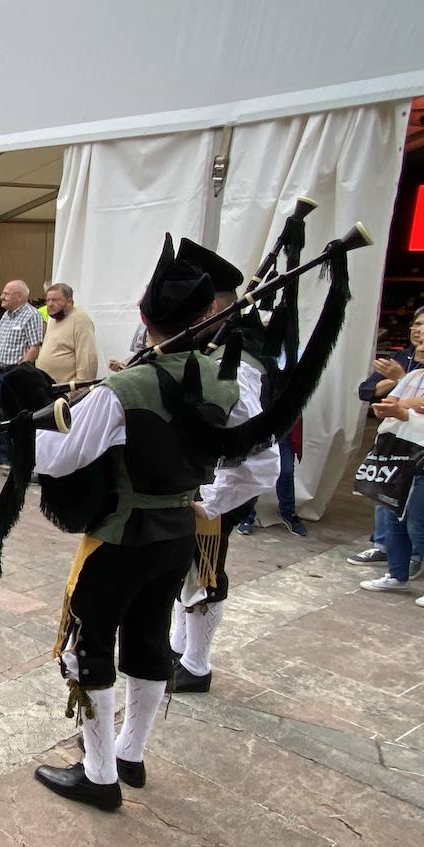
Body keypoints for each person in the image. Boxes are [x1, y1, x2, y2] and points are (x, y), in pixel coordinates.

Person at [32, 237, 250, 810]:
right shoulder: (227, 380)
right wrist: (209, 502)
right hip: (177, 535)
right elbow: (258, 462)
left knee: (88, 646)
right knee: (150, 641)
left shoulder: (122, 389)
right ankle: (129, 753)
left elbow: (59, 459)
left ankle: (99, 773)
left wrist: (41, 423)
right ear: (204, 317)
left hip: (119, 539)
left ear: (144, 317)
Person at [167, 241, 281, 693]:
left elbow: (261, 456)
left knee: (204, 571)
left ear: (210, 307)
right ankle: (179, 647)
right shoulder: (211, 349)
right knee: (187, 569)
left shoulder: (234, 363)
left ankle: (196, 666)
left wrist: (211, 503)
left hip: (215, 492)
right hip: (198, 487)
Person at [349, 303, 424, 571]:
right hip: (398, 456)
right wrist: (409, 403)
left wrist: (402, 407)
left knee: (420, 523)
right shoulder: (412, 370)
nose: (422, 344)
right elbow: (377, 401)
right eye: (419, 334)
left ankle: (417, 563)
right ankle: (396, 572)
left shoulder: (410, 372)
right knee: (391, 513)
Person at [0, 280, 44, 468]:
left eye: (6, 293)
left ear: (19, 296)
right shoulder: (6, 315)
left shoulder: (31, 315)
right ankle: (3, 455)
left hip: (15, 374)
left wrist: (20, 371)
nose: (1, 297)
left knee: (14, 415)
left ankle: (16, 458)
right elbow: (1, 342)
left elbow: (34, 347)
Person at [35, 283, 99, 385]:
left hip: (68, 390)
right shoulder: (53, 319)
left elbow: (87, 358)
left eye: (55, 300)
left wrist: (80, 387)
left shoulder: (80, 320)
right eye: (48, 300)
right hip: (49, 387)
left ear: (70, 301)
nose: (50, 304)